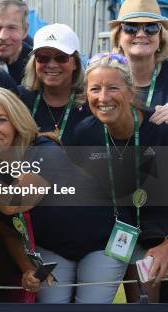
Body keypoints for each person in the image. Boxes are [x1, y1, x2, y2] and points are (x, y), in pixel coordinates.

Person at [0, 87, 106, 303]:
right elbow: (6, 227)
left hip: (99, 243)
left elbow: (13, 204)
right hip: (53, 249)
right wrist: (28, 269)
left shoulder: (43, 150)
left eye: (1, 120)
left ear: (16, 123)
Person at [72, 53, 168, 303]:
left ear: (130, 91)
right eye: (95, 89)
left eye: (113, 88)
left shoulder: (160, 129)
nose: (103, 98)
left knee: (149, 296)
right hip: (115, 235)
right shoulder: (84, 134)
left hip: (159, 236)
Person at [19, 23, 89, 145]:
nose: (51, 65)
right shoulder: (20, 99)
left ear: (75, 63)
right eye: (43, 58)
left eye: (61, 57)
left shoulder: (90, 103)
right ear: (34, 62)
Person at [110, 0, 168, 124]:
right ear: (118, 38)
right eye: (131, 27)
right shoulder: (102, 75)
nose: (141, 34)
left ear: (160, 39)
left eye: (151, 27)